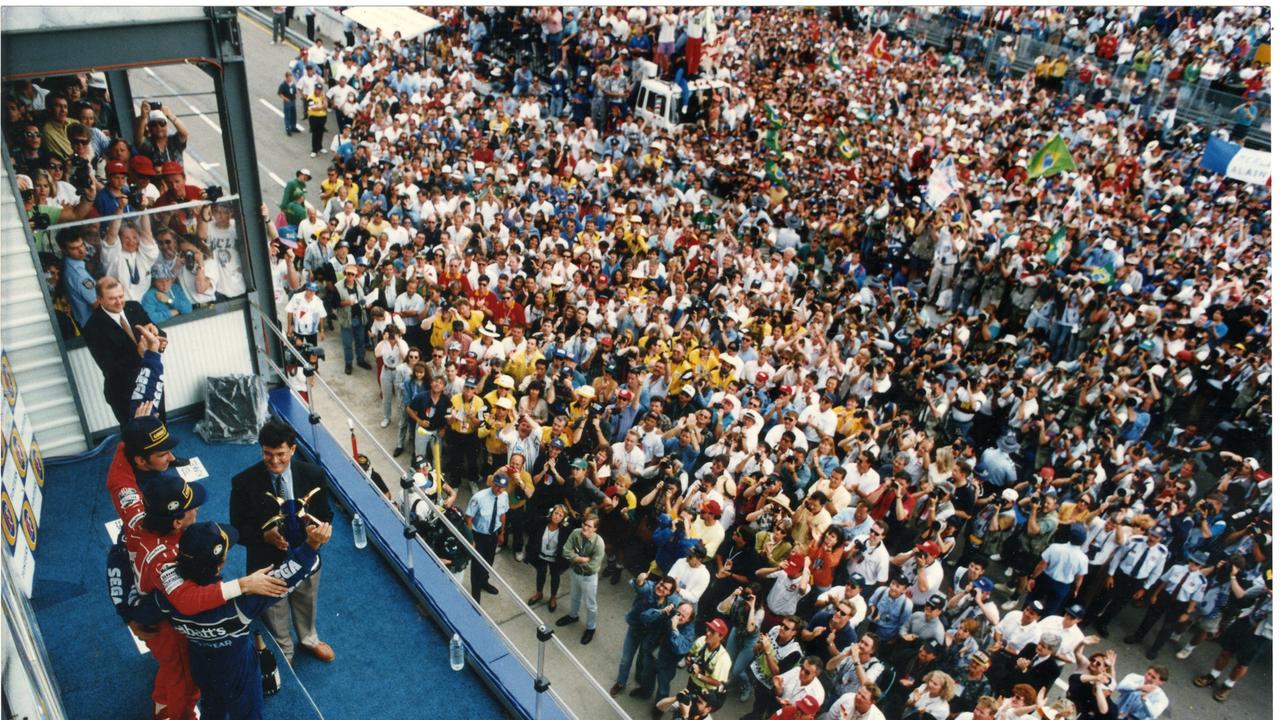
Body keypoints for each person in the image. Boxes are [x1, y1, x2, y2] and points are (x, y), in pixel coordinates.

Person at [108, 412, 287, 720]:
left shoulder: (137, 516)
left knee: (171, 671)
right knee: (185, 681)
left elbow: (119, 475)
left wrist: (133, 434)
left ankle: (161, 700)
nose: (198, 510)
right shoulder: (167, 560)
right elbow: (186, 600)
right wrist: (242, 585)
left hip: (146, 602)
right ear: (177, 521)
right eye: (192, 508)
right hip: (164, 624)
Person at [154, 520, 331, 720]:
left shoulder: (166, 594)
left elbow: (151, 604)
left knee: (211, 707)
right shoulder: (242, 603)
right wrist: (312, 545)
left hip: (200, 665)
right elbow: (287, 577)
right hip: (237, 674)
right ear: (220, 564)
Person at [229, 419, 335, 665]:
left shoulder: (313, 475)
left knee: (307, 599)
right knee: (274, 612)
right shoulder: (243, 482)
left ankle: (309, 639)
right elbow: (236, 530)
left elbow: (326, 515)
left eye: (281, 454)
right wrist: (263, 535)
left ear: (294, 450)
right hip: (267, 564)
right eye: (268, 454)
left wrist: (319, 530)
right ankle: (283, 651)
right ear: (261, 450)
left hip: (307, 555)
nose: (274, 461)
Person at [82, 276, 168, 426]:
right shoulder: (92, 328)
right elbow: (109, 367)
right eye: (112, 299)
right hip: (124, 392)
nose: (119, 302)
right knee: (137, 438)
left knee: (161, 429)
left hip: (152, 382)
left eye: (121, 296)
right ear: (100, 300)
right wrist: (143, 354)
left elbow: (158, 333)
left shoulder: (134, 307)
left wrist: (158, 339)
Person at [555, 513, 606, 644]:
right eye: (584, 524)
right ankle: (573, 616)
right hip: (575, 572)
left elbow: (593, 567)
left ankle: (591, 628)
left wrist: (573, 558)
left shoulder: (599, 543)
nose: (585, 527)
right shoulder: (575, 533)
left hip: (588, 578)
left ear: (595, 529)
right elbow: (565, 551)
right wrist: (581, 559)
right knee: (574, 596)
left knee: (590, 604)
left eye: (589, 526)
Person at [465, 471, 509, 602]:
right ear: (492, 483)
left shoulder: (504, 496)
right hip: (479, 536)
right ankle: (475, 597)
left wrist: (502, 533)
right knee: (477, 567)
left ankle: (484, 582)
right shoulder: (478, 498)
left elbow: (502, 515)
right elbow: (468, 519)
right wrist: (471, 539)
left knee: (489, 563)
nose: (498, 489)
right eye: (496, 486)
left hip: (493, 535)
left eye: (501, 487)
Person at [527, 505, 571, 611]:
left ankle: (553, 597)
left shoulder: (566, 530)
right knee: (540, 573)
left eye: (560, 515)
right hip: (541, 555)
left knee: (555, 577)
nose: (557, 517)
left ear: (563, 519)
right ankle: (539, 593)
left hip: (555, 558)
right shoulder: (541, 522)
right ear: (551, 512)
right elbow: (532, 536)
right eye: (556, 513)